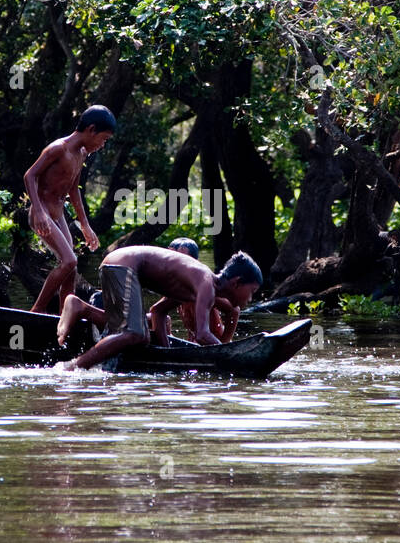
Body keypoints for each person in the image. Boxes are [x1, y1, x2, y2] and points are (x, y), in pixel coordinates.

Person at [56, 247, 263, 370]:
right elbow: (202, 335)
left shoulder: (201, 285)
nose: (251, 298)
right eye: (251, 291)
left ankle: (81, 307)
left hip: (121, 265)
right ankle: (73, 367)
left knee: (142, 337)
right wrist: (232, 356)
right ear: (236, 283)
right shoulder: (206, 285)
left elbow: (158, 312)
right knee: (134, 333)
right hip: (122, 265)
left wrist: (166, 352)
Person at [23, 106, 116, 313]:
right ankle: (36, 311)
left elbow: (74, 190)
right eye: (104, 139)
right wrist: (38, 211)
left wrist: (85, 225)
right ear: (91, 129)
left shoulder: (81, 153)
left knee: (71, 268)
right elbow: (30, 175)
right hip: (43, 213)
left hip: (58, 214)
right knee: (69, 261)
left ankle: (66, 315)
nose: (102, 145)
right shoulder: (59, 148)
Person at [156, 237, 228, 344]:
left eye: (184, 261)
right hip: (194, 343)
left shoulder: (203, 287)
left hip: (214, 342)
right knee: (163, 320)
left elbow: (235, 311)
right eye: (175, 261)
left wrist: (224, 344)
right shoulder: (175, 288)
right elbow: (155, 311)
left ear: (195, 263)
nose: (179, 266)